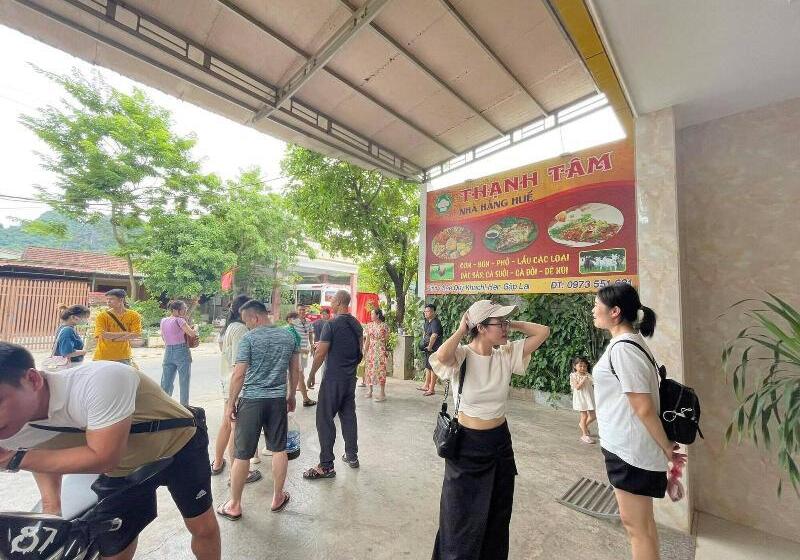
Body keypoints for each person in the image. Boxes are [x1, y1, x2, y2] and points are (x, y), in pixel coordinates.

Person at [0, 342, 221, 560]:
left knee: (202, 527)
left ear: (33, 379)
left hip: (179, 445)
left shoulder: (101, 380)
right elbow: (36, 446)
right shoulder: (10, 426)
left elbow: (104, 457)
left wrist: (14, 459)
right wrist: (51, 506)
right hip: (123, 470)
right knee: (114, 551)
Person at [429, 300, 550, 560]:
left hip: (499, 444)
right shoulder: (461, 355)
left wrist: (510, 324)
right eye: (500, 323)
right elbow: (441, 357)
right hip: (466, 446)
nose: (505, 328)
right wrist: (462, 329)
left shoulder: (506, 354)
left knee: (497, 515)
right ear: (481, 328)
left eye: (506, 322)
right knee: (459, 517)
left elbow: (543, 332)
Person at [592, 283, 681, 560]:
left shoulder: (623, 349)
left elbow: (643, 408)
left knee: (636, 529)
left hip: (630, 452)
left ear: (615, 311)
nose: (593, 310)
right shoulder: (631, 342)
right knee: (644, 526)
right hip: (631, 449)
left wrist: (667, 448)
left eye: (597, 305)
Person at [216, 300, 299, 520]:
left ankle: (234, 505)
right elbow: (295, 370)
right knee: (279, 449)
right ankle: (278, 496)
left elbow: (239, 374)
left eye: (247, 321)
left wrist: (231, 403)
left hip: (251, 401)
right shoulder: (288, 336)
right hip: (277, 401)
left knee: (242, 454)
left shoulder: (249, 339)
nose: (247, 325)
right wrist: (291, 395)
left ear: (255, 317)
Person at [303, 290, 362, 479]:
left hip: (333, 380)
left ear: (339, 302)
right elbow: (360, 351)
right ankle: (352, 455)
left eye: (333, 300)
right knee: (348, 416)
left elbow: (321, 353)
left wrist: (312, 374)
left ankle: (326, 465)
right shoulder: (356, 324)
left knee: (324, 419)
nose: (331, 303)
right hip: (349, 379)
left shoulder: (331, 324)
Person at [212, 294, 261, 477]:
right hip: (237, 385)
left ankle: (218, 463)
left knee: (227, 424)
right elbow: (238, 365)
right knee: (236, 429)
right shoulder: (240, 330)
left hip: (228, 382)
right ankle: (237, 473)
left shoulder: (229, 327)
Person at [160, 300, 198, 406]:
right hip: (181, 351)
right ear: (176, 310)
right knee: (184, 381)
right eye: (184, 308)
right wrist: (196, 327)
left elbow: (163, 336)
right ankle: (184, 406)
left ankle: (163, 405)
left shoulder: (163, 320)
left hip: (168, 351)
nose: (186, 310)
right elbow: (192, 334)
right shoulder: (180, 320)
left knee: (166, 381)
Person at [93, 288, 142, 364]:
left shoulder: (134, 315)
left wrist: (115, 339)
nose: (108, 301)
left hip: (124, 356)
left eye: (111, 299)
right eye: (107, 299)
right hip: (103, 356)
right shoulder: (102, 316)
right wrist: (124, 333)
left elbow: (136, 334)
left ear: (121, 300)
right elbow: (103, 334)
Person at [287, 308, 317, 407]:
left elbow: (310, 334)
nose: (301, 312)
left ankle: (295, 397)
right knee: (299, 375)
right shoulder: (291, 328)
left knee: (300, 374)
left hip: (302, 352)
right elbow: (291, 344)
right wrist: (301, 350)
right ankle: (304, 399)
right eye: (300, 310)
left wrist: (311, 345)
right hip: (297, 354)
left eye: (303, 310)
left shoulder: (307, 322)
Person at [363, 308, 389, 401]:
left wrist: (380, 343)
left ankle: (382, 393)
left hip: (380, 349)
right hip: (371, 350)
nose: (371, 316)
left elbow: (387, 339)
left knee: (381, 370)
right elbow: (367, 340)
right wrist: (365, 351)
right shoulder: (369, 325)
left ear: (377, 315)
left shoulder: (384, 326)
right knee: (370, 369)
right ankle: (370, 391)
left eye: (372, 314)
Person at [570, 356, 596, 444]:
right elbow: (577, 387)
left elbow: (594, 382)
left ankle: (583, 425)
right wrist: (583, 379)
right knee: (584, 416)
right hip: (581, 398)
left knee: (593, 416)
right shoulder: (573, 375)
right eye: (580, 366)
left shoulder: (588, 374)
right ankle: (584, 435)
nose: (582, 368)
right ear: (575, 366)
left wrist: (589, 377)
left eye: (585, 366)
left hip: (588, 397)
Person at [419, 304, 443, 396]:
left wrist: (429, 346)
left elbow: (434, 335)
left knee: (433, 368)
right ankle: (426, 385)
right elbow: (425, 333)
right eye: (425, 311)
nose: (425, 313)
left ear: (433, 312)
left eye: (428, 311)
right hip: (428, 348)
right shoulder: (427, 322)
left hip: (434, 348)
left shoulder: (435, 322)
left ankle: (431, 389)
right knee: (427, 367)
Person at [311, 308, 330, 380]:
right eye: (322, 314)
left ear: (328, 314)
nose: (323, 316)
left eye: (325, 314)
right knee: (321, 363)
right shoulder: (317, 323)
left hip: (322, 346)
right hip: (321, 346)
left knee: (321, 363)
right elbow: (311, 333)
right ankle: (316, 378)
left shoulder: (330, 323)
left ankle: (320, 378)